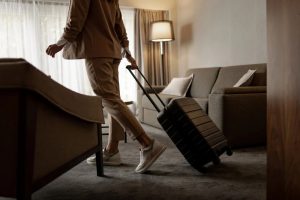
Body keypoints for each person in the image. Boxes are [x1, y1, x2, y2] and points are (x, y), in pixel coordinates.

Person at [45, 0, 166, 174]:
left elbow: (75, 21)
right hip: (113, 52)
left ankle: (147, 144)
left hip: (96, 51)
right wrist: (127, 52)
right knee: (113, 100)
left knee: (108, 99)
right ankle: (112, 151)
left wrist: (59, 44)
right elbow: (119, 24)